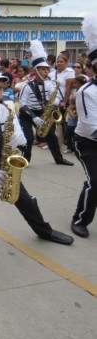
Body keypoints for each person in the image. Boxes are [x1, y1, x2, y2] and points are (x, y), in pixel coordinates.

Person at [0, 43, 73, 257]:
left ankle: (44, 231)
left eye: (1, 88)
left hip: (2, 158)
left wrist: (18, 140)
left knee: (25, 199)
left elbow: (17, 136)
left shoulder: (7, 108)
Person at [18, 40, 74, 166]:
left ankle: (59, 159)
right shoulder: (26, 86)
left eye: (47, 70)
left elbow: (56, 98)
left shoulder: (49, 84)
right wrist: (34, 117)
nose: (46, 72)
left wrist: (55, 102)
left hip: (42, 112)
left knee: (52, 136)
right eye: (43, 70)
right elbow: (21, 105)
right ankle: (25, 160)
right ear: (36, 70)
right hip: (27, 114)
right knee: (29, 138)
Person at [70, 15, 97, 238]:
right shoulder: (86, 91)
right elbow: (90, 127)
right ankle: (80, 219)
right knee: (95, 182)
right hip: (87, 143)